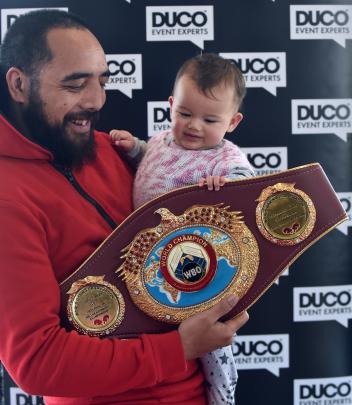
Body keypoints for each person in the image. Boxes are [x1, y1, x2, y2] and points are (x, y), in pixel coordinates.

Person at [0, 10, 249, 405]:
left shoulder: (110, 149)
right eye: (75, 84)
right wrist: (177, 349)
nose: (97, 100)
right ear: (19, 84)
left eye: (102, 81)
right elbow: (37, 362)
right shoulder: (7, 196)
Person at [109, 53, 254, 404]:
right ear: (171, 105)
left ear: (232, 122)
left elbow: (248, 181)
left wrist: (227, 183)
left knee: (210, 344)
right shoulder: (161, 140)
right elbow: (150, 158)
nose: (194, 126)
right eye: (185, 113)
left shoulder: (225, 158)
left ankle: (222, 395)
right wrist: (134, 149)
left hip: (195, 264)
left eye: (209, 119)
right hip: (148, 256)